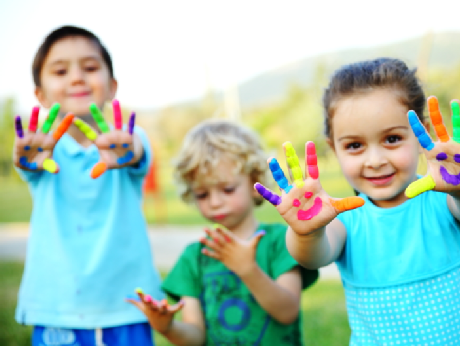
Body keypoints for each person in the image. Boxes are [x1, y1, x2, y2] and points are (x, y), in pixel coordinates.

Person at [256, 58, 460, 345]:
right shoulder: (345, 222)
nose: (375, 161)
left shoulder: (446, 202)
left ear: (422, 135)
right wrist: (305, 230)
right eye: (355, 146)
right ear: (333, 148)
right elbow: (313, 255)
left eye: (392, 139)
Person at [13, 25, 162, 346]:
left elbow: (135, 152)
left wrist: (128, 149)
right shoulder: (42, 151)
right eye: (61, 71)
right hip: (58, 308)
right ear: (40, 94)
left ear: (112, 87)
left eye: (90, 67)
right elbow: (27, 162)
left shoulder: (129, 143)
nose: (77, 77)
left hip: (127, 307)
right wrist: (25, 158)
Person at [128, 119, 319, 345]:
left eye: (227, 189)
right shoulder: (194, 258)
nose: (215, 202)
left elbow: (287, 312)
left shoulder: (282, 241)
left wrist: (248, 270)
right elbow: (195, 337)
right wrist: (167, 327)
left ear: (255, 182)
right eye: (202, 194)